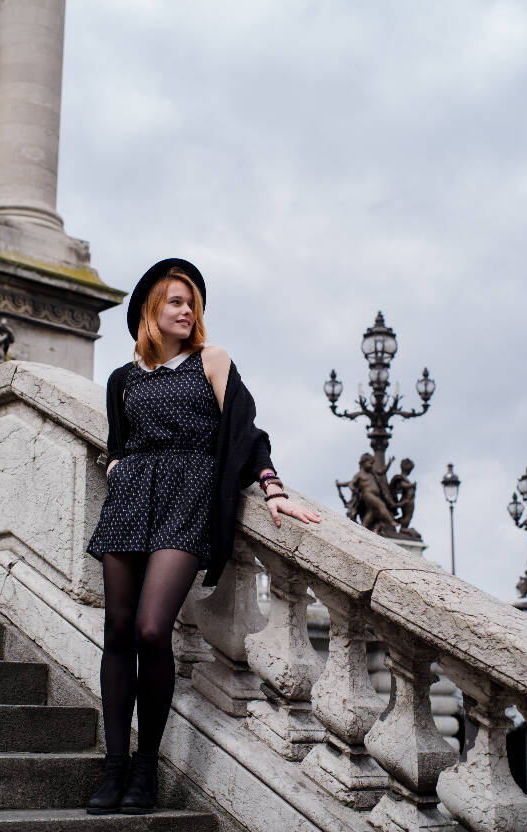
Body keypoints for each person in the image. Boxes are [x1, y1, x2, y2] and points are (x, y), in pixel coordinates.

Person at [84, 258, 321, 815]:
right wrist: (120, 468)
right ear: (150, 309)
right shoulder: (123, 378)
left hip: (188, 500)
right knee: (117, 629)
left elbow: (246, 431)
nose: (187, 310)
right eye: (175, 301)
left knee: (149, 629)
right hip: (130, 500)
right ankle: (112, 768)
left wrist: (273, 487)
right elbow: (117, 443)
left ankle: (145, 768)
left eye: (192, 302)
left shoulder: (212, 362)